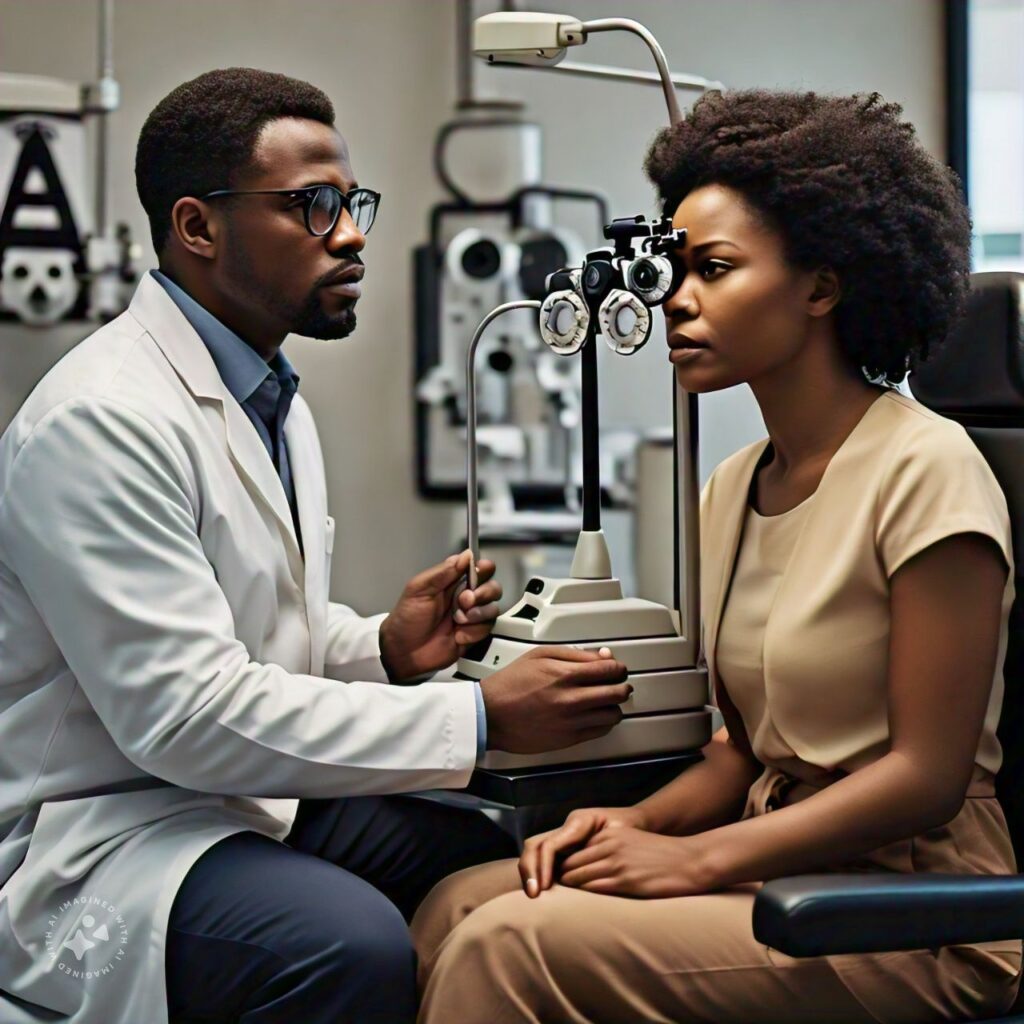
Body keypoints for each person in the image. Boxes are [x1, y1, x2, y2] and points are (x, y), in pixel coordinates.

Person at [0, 68, 632, 1024]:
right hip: (104, 831)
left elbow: (239, 631)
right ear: (197, 227)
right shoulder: (101, 421)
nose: (352, 235)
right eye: (314, 206)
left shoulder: (269, 394)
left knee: (486, 862)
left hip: (231, 796)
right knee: (346, 948)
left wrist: (379, 648)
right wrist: (478, 720)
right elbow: (187, 713)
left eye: (353, 202)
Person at [412, 89, 1024, 1023]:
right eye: (674, 270)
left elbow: (926, 776)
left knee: (509, 947)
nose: (677, 303)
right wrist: (637, 824)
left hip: (909, 909)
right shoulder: (733, 486)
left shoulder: (928, 471)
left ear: (822, 286)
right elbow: (742, 749)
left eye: (715, 270)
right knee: (457, 905)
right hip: (777, 865)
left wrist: (693, 858)